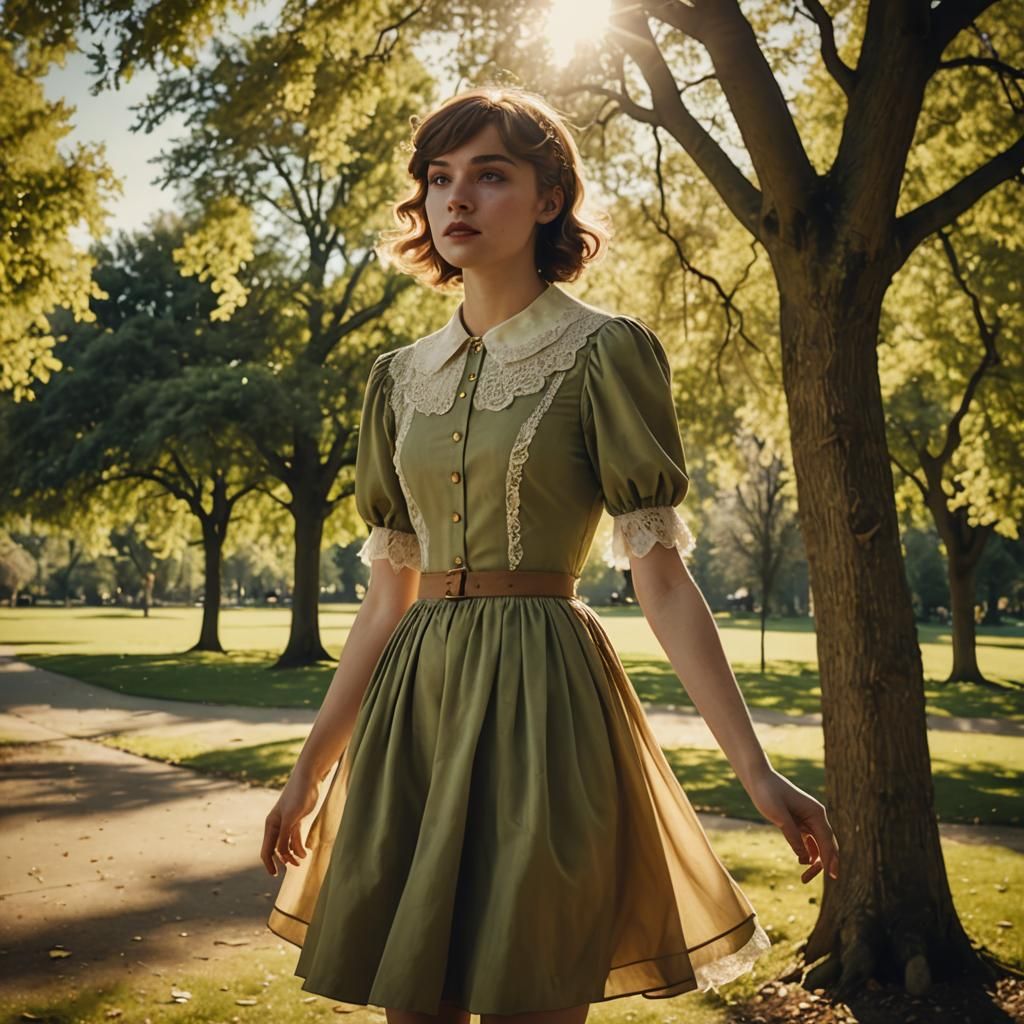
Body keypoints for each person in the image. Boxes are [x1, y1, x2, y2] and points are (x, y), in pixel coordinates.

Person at [260, 84, 840, 1024]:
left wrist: (755, 769)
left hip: (544, 700)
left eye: (491, 176)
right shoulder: (396, 380)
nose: (458, 199)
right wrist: (309, 771)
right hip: (417, 708)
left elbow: (660, 574)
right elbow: (384, 599)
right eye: (440, 178)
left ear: (547, 198)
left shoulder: (605, 351)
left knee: (535, 990)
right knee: (414, 995)